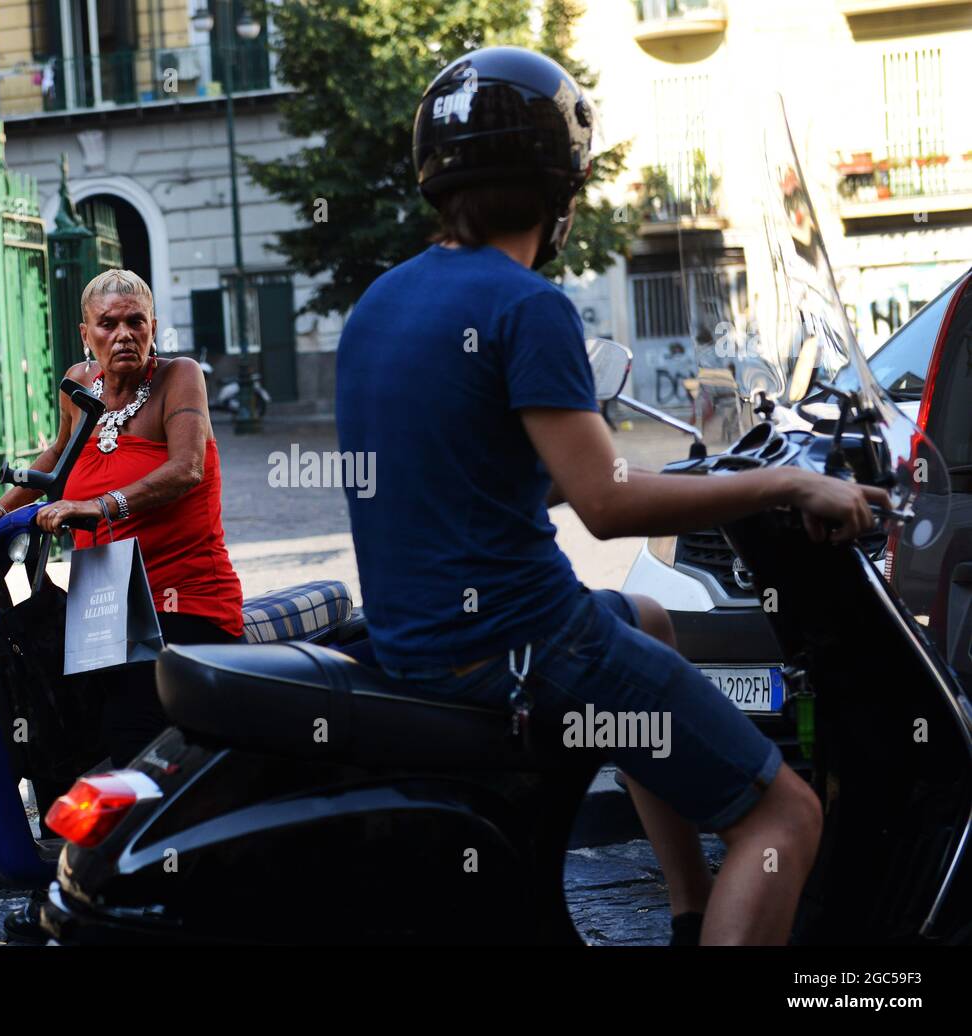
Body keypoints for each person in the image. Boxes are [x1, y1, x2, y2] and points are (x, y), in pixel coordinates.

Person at [335, 46, 890, 946]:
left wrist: (701, 475)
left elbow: (481, 470)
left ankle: (690, 911)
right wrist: (788, 481)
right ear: (562, 194)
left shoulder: (379, 306)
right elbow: (608, 503)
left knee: (649, 619)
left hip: (421, 639)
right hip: (520, 641)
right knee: (783, 817)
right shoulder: (529, 306)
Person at [0, 268, 244, 939]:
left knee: (134, 748)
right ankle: (79, 882)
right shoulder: (82, 383)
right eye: (110, 323)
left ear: (153, 326)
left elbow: (186, 467)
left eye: (137, 321)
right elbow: (59, 456)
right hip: (109, 595)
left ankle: (135, 905)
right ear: (86, 333)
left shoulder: (179, 379)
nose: (124, 334)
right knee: (50, 720)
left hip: (180, 603)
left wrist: (99, 505)